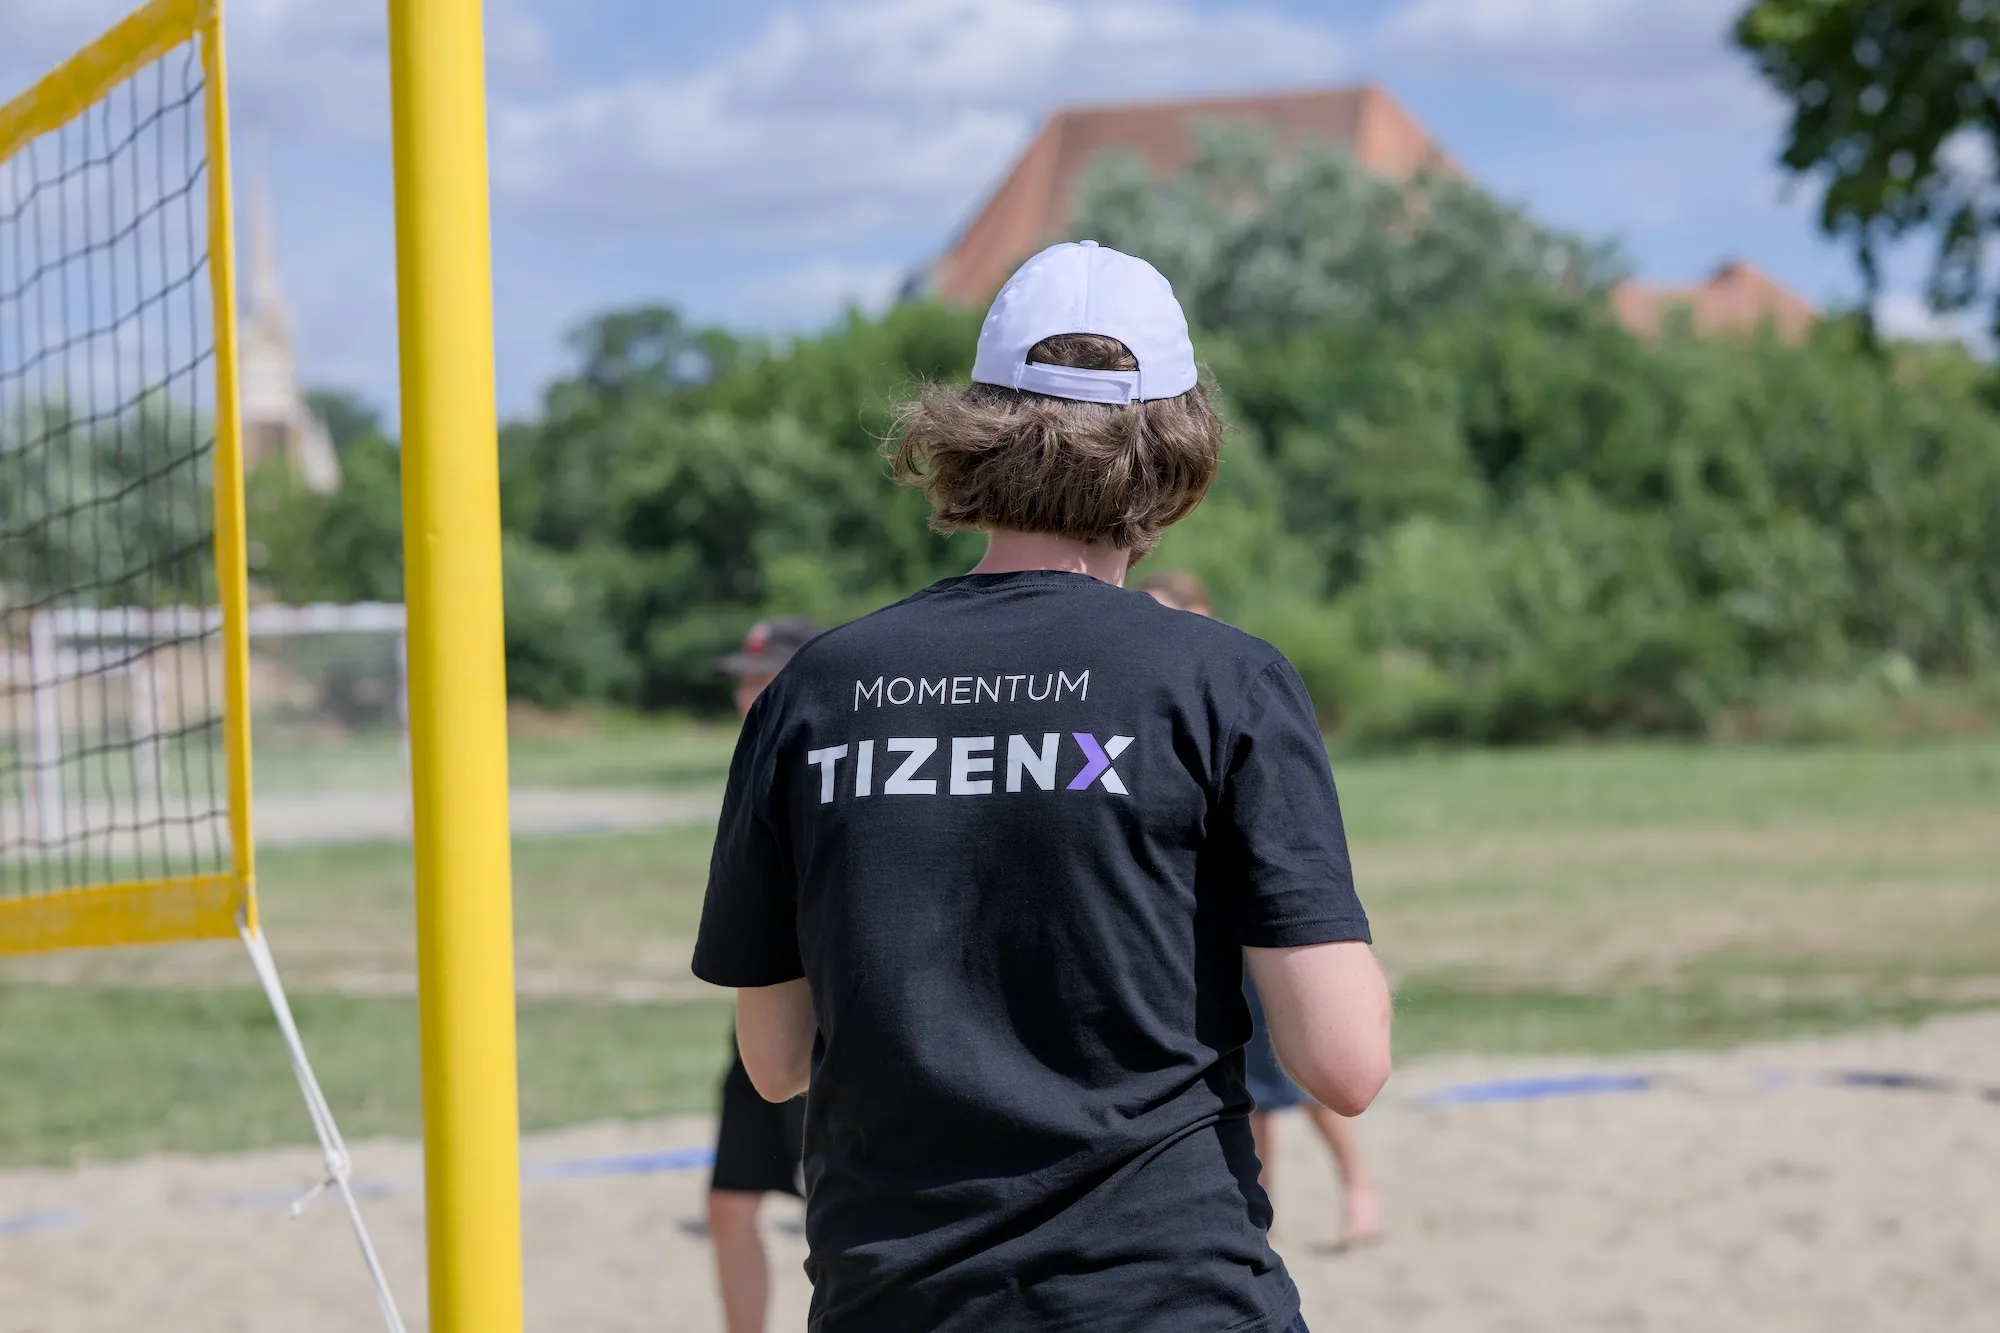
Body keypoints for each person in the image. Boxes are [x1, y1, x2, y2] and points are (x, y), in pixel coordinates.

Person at [693, 240, 1392, 1332]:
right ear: (1176, 439)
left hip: (895, 1296)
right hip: (1163, 1292)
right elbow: (1343, 1062)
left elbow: (775, 1060)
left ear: (971, 425)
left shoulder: (816, 688)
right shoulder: (1221, 679)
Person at [1137, 570, 1384, 1251]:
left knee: (1300, 1072)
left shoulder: (1240, 683)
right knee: (1243, 1082)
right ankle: (1260, 1206)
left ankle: (1358, 1185)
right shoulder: (1161, 697)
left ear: (1200, 612)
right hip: (1196, 931)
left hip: (1256, 928)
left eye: (1164, 613)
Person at [706, 617, 824, 1333]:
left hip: (825, 1011)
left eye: (763, 676)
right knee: (728, 1202)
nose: (748, 692)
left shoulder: (833, 757)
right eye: (744, 679)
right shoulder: (755, 759)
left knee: (835, 1211)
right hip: (761, 1009)